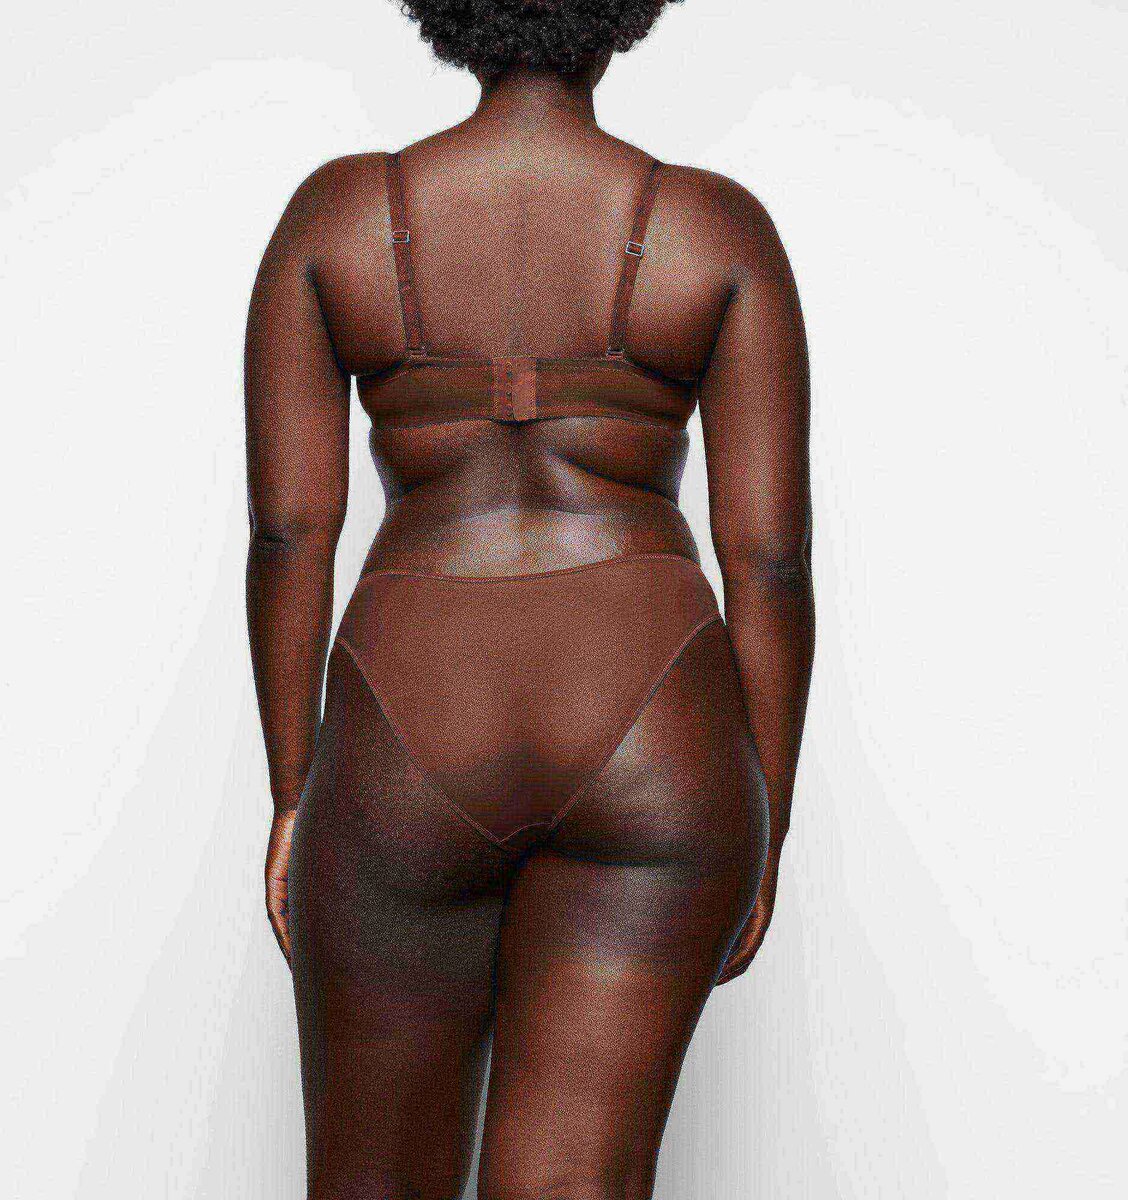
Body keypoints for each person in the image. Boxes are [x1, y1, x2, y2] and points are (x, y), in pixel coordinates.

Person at [244, 2, 814, 1195]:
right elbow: (767, 559)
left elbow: (291, 532)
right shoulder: (712, 229)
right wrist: (767, 814)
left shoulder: (338, 218)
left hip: (411, 722)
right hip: (653, 724)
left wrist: (296, 793)